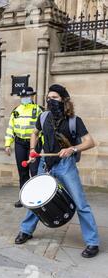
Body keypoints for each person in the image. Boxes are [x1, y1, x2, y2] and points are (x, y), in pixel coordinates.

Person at [15, 84, 100, 259]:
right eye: (48, 97)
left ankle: (92, 242)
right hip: (45, 163)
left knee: (81, 203)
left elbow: (90, 142)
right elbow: (35, 132)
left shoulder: (74, 120)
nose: (49, 100)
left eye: (54, 97)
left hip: (65, 165)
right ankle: (26, 230)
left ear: (63, 100)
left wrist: (72, 149)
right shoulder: (43, 116)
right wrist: (32, 150)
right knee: (36, 200)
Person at [5, 87, 43, 208]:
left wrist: (44, 145)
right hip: (20, 143)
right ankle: (23, 198)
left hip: (34, 144)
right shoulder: (16, 110)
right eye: (22, 97)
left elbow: (43, 129)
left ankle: (37, 198)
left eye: (26, 96)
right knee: (22, 172)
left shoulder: (38, 110)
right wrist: (7, 144)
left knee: (34, 171)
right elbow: (11, 128)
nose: (24, 99)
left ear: (32, 97)